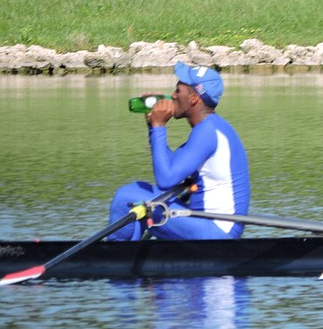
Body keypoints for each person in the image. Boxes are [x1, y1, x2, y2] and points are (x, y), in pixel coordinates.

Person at [107, 62, 251, 241]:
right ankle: (127, 255)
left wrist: (159, 126)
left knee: (125, 197)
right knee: (138, 194)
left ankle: (116, 259)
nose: (172, 96)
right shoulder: (212, 127)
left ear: (193, 99)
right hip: (207, 225)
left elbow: (165, 180)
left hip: (217, 231)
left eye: (177, 91)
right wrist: (152, 126)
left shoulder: (207, 132)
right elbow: (171, 168)